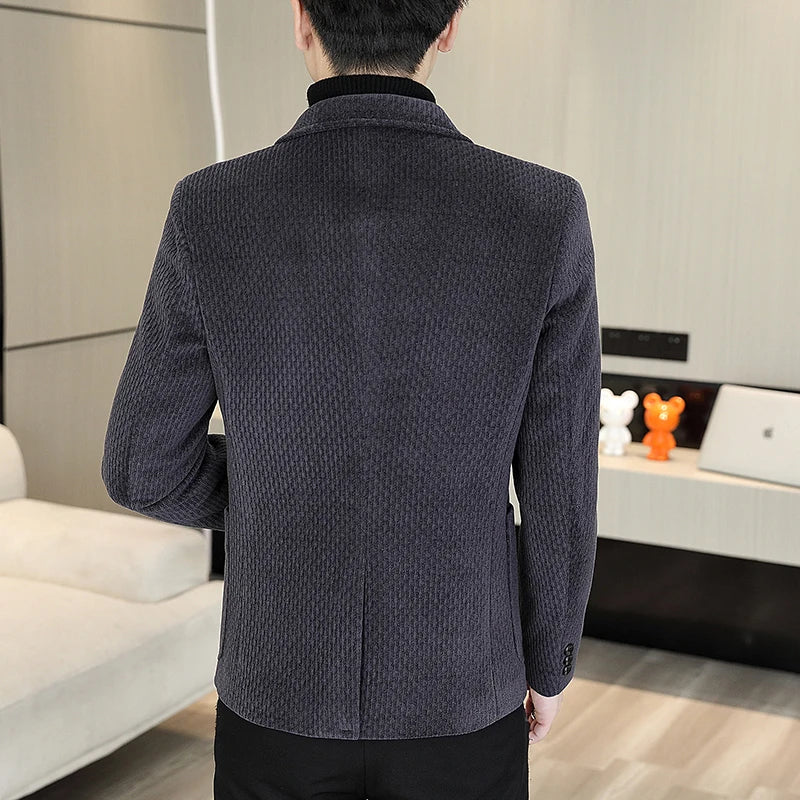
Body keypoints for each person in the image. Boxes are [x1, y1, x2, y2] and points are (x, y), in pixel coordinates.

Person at [101, 0, 601, 797]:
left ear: (302, 19)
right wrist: (550, 661)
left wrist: (274, 494)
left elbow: (141, 465)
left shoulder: (211, 205)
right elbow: (561, 485)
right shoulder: (543, 210)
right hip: (463, 685)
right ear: (448, 27)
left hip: (278, 687)